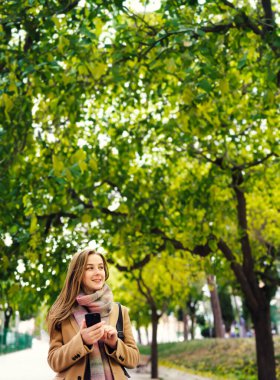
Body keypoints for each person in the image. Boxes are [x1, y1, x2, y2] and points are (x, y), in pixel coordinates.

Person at [47, 248, 139, 380]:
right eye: (90, 268)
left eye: (101, 267)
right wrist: (82, 341)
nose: (97, 273)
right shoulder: (61, 312)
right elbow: (54, 362)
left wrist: (115, 344)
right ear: (77, 273)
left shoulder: (120, 311)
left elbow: (134, 359)